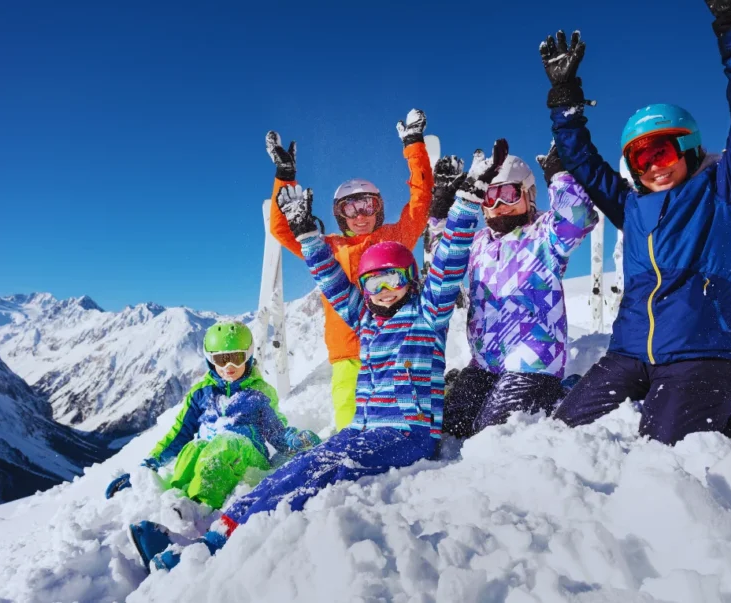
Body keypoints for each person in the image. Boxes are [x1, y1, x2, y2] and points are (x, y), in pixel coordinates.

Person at [129, 140, 509, 572]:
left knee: (319, 475)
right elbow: (330, 279)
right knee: (300, 467)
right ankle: (212, 533)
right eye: (373, 285)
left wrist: (467, 200)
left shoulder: (426, 316)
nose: (384, 293)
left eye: (393, 282)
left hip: (408, 435)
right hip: (363, 430)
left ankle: (216, 550)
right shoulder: (366, 320)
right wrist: (308, 232)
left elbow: (449, 260)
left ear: (412, 281)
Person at [542, 0, 731, 448]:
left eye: (663, 153)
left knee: (666, 448)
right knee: (561, 436)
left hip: (702, 349)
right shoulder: (633, 207)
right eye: (641, 158)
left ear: (689, 150)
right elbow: (587, 166)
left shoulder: (725, 190)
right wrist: (566, 102)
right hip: (631, 352)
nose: (653, 167)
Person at [265, 109, 433, 432]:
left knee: (400, 421)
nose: (360, 215)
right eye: (350, 208)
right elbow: (283, 230)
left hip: (393, 347)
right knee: (350, 425)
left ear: (378, 208)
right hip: (348, 358)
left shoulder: (394, 239)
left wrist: (414, 146)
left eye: (367, 205)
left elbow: (421, 203)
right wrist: (284, 178)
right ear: (340, 215)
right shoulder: (328, 247)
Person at [108, 321, 320, 568]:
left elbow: (276, 432)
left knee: (225, 443)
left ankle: (199, 521)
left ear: (248, 357)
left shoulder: (258, 394)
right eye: (221, 360)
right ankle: (177, 513)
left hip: (246, 458)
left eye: (235, 358)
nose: (228, 367)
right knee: (192, 449)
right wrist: (147, 466)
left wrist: (294, 441)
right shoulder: (202, 393)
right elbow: (179, 434)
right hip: (211, 457)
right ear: (210, 361)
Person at [438, 143, 596, 439]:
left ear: (528, 194)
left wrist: (559, 174)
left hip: (533, 361)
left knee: (492, 434)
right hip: (485, 363)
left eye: (508, 194)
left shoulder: (545, 233)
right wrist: (441, 205)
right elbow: (440, 258)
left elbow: (579, 218)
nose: (498, 205)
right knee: (451, 428)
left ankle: (563, 392)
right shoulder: (478, 244)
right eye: (489, 196)